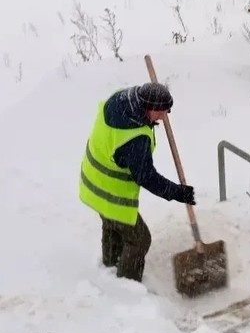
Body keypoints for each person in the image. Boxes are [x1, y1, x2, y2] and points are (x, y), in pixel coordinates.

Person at [79, 82, 196, 282]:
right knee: (140, 240)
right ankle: (127, 286)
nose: (164, 116)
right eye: (161, 111)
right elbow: (146, 177)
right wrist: (177, 192)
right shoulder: (135, 140)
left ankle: (110, 267)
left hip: (93, 181)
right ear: (148, 107)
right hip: (111, 194)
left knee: (112, 226)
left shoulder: (121, 99)